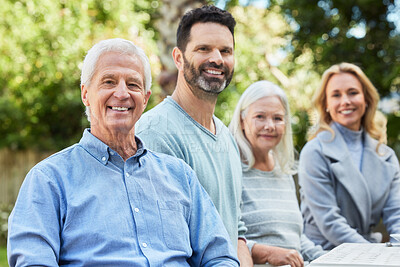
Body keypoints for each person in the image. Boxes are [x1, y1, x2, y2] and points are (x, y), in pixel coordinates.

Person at [7, 38, 239, 266]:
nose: (122, 93)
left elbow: (219, 256)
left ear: (145, 99)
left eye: (133, 84)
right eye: (109, 82)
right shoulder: (49, 180)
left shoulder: (180, 175)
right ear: (85, 94)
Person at [136, 5, 252, 265]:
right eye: (204, 49)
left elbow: (236, 232)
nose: (217, 59)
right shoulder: (156, 134)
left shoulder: (226, 137)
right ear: (178, 58)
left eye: (226, 51)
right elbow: (163, 248)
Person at [299, 62, 400, 250]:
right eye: (336, 95)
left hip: (367, 252)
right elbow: (330, 221)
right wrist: (374, 256)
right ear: (326, 105)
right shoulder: (314, 152)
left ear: (366, 99)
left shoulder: (386, 156)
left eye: (352, 92)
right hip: (323, 254)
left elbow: (397, 216)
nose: (345, 101)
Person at [229, 81, 326, 267]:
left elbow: (294, 239)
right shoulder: (229, 168)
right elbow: (224, 236)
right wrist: (266, 253)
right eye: (260, 117)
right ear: (242, 121)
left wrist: (327, 257)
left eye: (278, 118)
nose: (270, 126)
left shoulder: (283, 171)